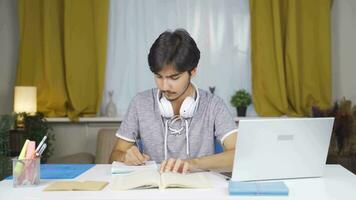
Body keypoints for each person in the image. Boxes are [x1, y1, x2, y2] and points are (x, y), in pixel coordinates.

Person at [110, 29, 237, 174]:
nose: (164, 86)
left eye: (174, 78)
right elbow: (115, 154)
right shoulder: (140, 103)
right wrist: (125, 156)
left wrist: (192, 164)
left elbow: (237, 155)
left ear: (193, 71)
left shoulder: (214, 105)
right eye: (158, 76)